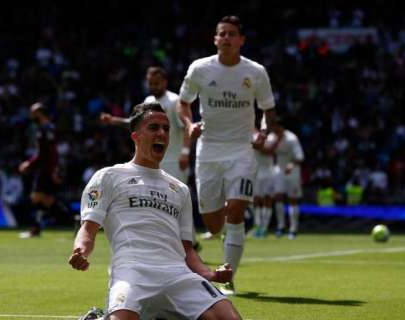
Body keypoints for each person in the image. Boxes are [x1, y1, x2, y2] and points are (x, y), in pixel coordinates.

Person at [70, 102, 242, 320]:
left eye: (166, 128)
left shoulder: (179, 189)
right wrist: (80, 251)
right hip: (133, 272)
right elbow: (89, 229)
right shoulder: (109, 176)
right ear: (136, 136)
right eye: (153, 127)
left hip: (178, 274)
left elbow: (187, 249)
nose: (161, 133)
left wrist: (209, 273)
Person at [176, 15, 277, 295]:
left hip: (242, 150)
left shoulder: (256, 72)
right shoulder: (200, 68)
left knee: (235, 210)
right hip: (208, 150)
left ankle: (226, 277)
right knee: (213, 222)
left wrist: (263, 132)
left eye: (232, 34)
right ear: (215, 39)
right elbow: (183, 104)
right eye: (222, 34)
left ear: (241, 40)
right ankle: (225, 240)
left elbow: (268, 111)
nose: (227, 38)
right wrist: (189, 124)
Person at [100, 66, 201, 251]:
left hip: (174, 159)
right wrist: (114, 120)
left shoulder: (174, 100)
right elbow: (137, 125)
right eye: (150, 83)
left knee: (178, 202)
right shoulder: (148, 101)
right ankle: (181, 244)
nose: (153, 86)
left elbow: (185, 127)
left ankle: (190, 245)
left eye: (157, 82)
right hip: (155, 162)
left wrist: (185, 153)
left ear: (165, 82)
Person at [18, 102, 62, 238]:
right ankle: (76, 219)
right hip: (46, 168)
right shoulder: (44, 128)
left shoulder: (46, 129)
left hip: (46, 169)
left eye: (33, 112)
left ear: (39, 113)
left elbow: (51, 152)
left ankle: (35, 229)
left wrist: (53, 170)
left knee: (36, 198)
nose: (31, 115)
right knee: (47, 200)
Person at [265, 119, 304, 239]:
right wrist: (277, 140)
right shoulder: (272, 137)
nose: (273, 129)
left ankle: (293, 229)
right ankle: (281, 227)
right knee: (278, 197)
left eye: (275, 127)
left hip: (293, 171)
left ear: (281, 127)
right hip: (279, 171)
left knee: (292, 200)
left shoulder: (292, 138)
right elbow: (267, 152)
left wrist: (291, 165)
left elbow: (300, 156)